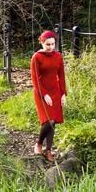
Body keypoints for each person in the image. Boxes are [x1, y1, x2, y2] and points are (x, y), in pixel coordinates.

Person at [30, 30, 67, 162]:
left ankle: (48, 150)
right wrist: (44, 94)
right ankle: (39, 143)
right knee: (48, 120)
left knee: (53, 121)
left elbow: (61, 76)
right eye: (47, 44)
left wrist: (63, 94)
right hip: (41, 91)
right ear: (42, 43)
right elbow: (35, 79)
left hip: (55, 91)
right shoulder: (37, 57)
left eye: (52, 44)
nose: (50, 47)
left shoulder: (58, 56)